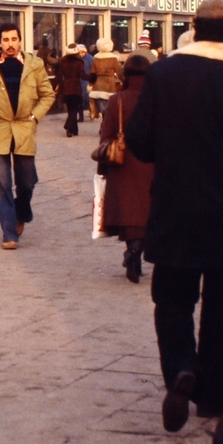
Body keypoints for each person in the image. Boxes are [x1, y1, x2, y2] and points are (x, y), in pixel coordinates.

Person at [124, 0, 223, 429]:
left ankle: (181, 368)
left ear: (193, 27)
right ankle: (213, 396)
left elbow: (140, 142)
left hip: (174, 208)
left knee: (171, 299)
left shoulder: (164, 73)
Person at [0, 25, 55, 250]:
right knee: (2, 184)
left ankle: (22, 209)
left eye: (14, 39)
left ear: (20, 41)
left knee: (26, 181)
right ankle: (9, 233)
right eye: (5, 40)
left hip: (24, 128)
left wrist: (35, 117)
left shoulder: (34, 64)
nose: (10, 44)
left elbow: (48, 94)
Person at [96, 53, 154, 281]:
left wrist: (103, 164)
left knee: (130, 214)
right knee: (147, 213)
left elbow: (106, 135)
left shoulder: (117, 100)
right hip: (151, 164)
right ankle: (135, 253)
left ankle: (133, 253)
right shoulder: (157, 99)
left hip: (124, 164)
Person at [53, 43, 86, 135]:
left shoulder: (63, 61)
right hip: (75, 87)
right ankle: (69, 128)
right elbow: (83, 75)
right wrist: (93, 77)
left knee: (70, 108)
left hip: (66, 87)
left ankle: (74, 130)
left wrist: (54, 85)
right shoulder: (79, 62)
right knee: (74, 109)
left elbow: (59, 76)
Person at [89, 42, 123, 121]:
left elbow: (93, 73)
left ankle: (104, 122)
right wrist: (123, 80)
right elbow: (119, 72)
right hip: (110, 84)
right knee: (110, 106)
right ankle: (107, 124)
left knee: (102, 107)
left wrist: (91, 84)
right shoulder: (113, 58)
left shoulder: (96, 58)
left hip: (99, 84)